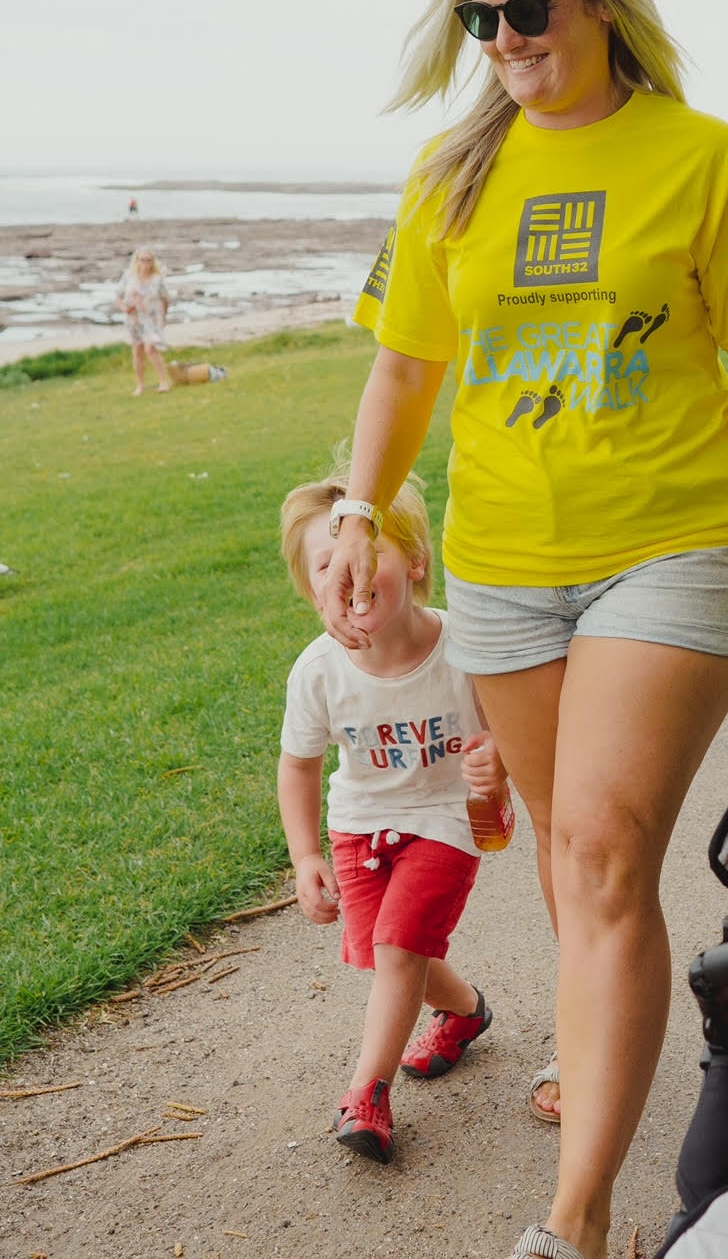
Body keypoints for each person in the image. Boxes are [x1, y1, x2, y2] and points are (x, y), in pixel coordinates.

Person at [325, 0, 728, 1259]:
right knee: (560, 851)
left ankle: (581, 1218)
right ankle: (601, 1038)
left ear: (601, 2)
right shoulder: (451, 173)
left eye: (526, 10)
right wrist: (359, 506)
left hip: (671, 549)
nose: (501, 36)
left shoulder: (700, 157)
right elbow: (405, 364)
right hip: (503, 566)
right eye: (479, 16)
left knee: (606, 850)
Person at [278, 471, 507, 1164]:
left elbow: (511, 730)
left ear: (414, 563)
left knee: (400, 947)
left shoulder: (463, 647)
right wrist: (305, 855)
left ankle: (365, 1093)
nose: (348, 575)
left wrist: (498, 762)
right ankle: (466, 1011)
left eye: (366, 553)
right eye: (327, 565)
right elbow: (299, 765)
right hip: (360, 821)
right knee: (388, 951)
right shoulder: (317, 672)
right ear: (313, 587)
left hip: (448, 815)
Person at [116, 247, 173, 395]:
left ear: (153, 262)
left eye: (149, 260)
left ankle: (164, 382)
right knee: (137, 351)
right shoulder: (128, 276)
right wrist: (124, 308)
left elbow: (166, 299)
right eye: (142, 260)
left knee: (150, 348)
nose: (145, 263)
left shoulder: (157, 278)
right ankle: (140, 385)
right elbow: (118, 296)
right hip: (134, 319)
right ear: (137, 261)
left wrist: (164, 318)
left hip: (152, 319)